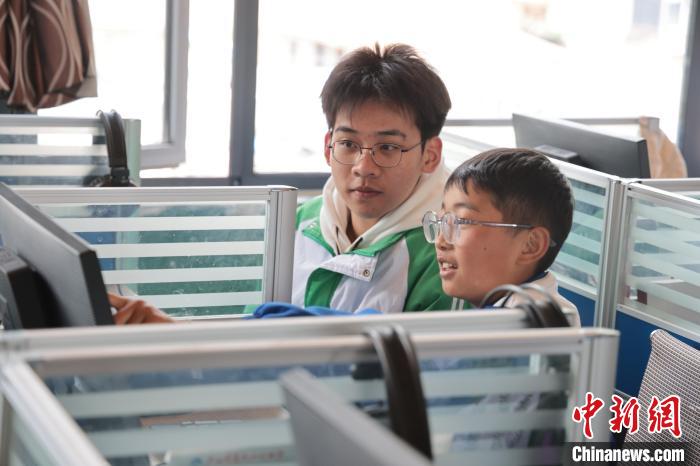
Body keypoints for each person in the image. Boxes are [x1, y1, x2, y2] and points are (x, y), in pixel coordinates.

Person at [291, 43, 464, 313]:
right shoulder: (299, 221)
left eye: (388, 147)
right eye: (348, 144)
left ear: (430, 155)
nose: (363, 167)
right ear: (328, 147)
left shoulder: (446, 252)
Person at [422, 147, 580, 326]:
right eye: (443, 220)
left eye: (461, 222)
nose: (441, 241)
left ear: (530, 245)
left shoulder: (522, 327)